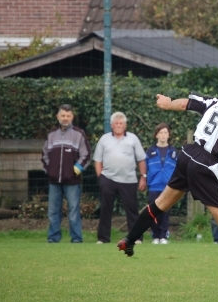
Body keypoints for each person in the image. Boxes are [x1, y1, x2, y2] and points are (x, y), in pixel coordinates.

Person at [116, 76, 218, 302]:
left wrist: (168, 103)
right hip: (207, 166)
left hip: (188, 155)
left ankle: (129, 240)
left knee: (162, 203)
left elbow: (187, 103)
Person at [94, 112, 147, 244]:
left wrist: (143, 177)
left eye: (121, 123)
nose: (118, 125)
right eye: (116, 123)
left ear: (125, 125)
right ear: (111, 125)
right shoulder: (104, 139)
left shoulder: (133, 139)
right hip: (108, 179)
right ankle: (103, 238)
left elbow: (141, 159)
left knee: (132, 210)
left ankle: (136, 238)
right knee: (105, 209)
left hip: (129, 180)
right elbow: (97, 160)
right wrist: (101, 178)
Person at [42, 104, 91, 244]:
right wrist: (49, 170)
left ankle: (76, 238)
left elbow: (86, 154)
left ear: (72, 117)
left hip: (72, 181)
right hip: (53, 181)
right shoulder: (51, 135)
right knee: (52, 211)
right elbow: (44, 155)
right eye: (63, 115)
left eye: (68, 116)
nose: (65, 118)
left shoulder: (79, 134)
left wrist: (78, 168)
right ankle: (53, 237)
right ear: (58, 116)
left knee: (74, 211)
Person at [146, 122, 178, 245]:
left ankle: (163, 236)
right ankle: (155, 236)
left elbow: (177, 169)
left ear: (168, 135)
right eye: (161, 133)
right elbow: (146, 167)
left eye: (166, 133)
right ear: (156, 135)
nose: (163, 135)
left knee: (165, 212)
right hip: (154, 186)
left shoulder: (173, 152)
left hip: (168, 187)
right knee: (153, 211)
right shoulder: (150, 151)